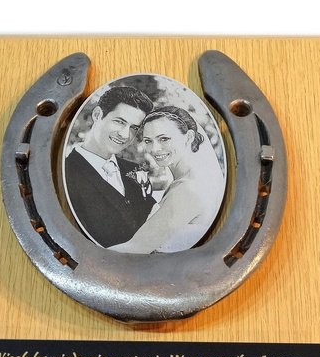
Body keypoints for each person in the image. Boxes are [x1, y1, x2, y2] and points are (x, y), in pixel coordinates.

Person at [108, 106, 222, 254]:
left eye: (164, 139)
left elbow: (136, 248)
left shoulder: (188, 191)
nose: (154, 149)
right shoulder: (182, 182)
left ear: (189, 137)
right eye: (148, 141)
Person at [64, 86, 156, 247]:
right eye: (119, 122)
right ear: (97, 114)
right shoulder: (65, 173)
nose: (125, 134)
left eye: (134, 128)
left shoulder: (135, 170)